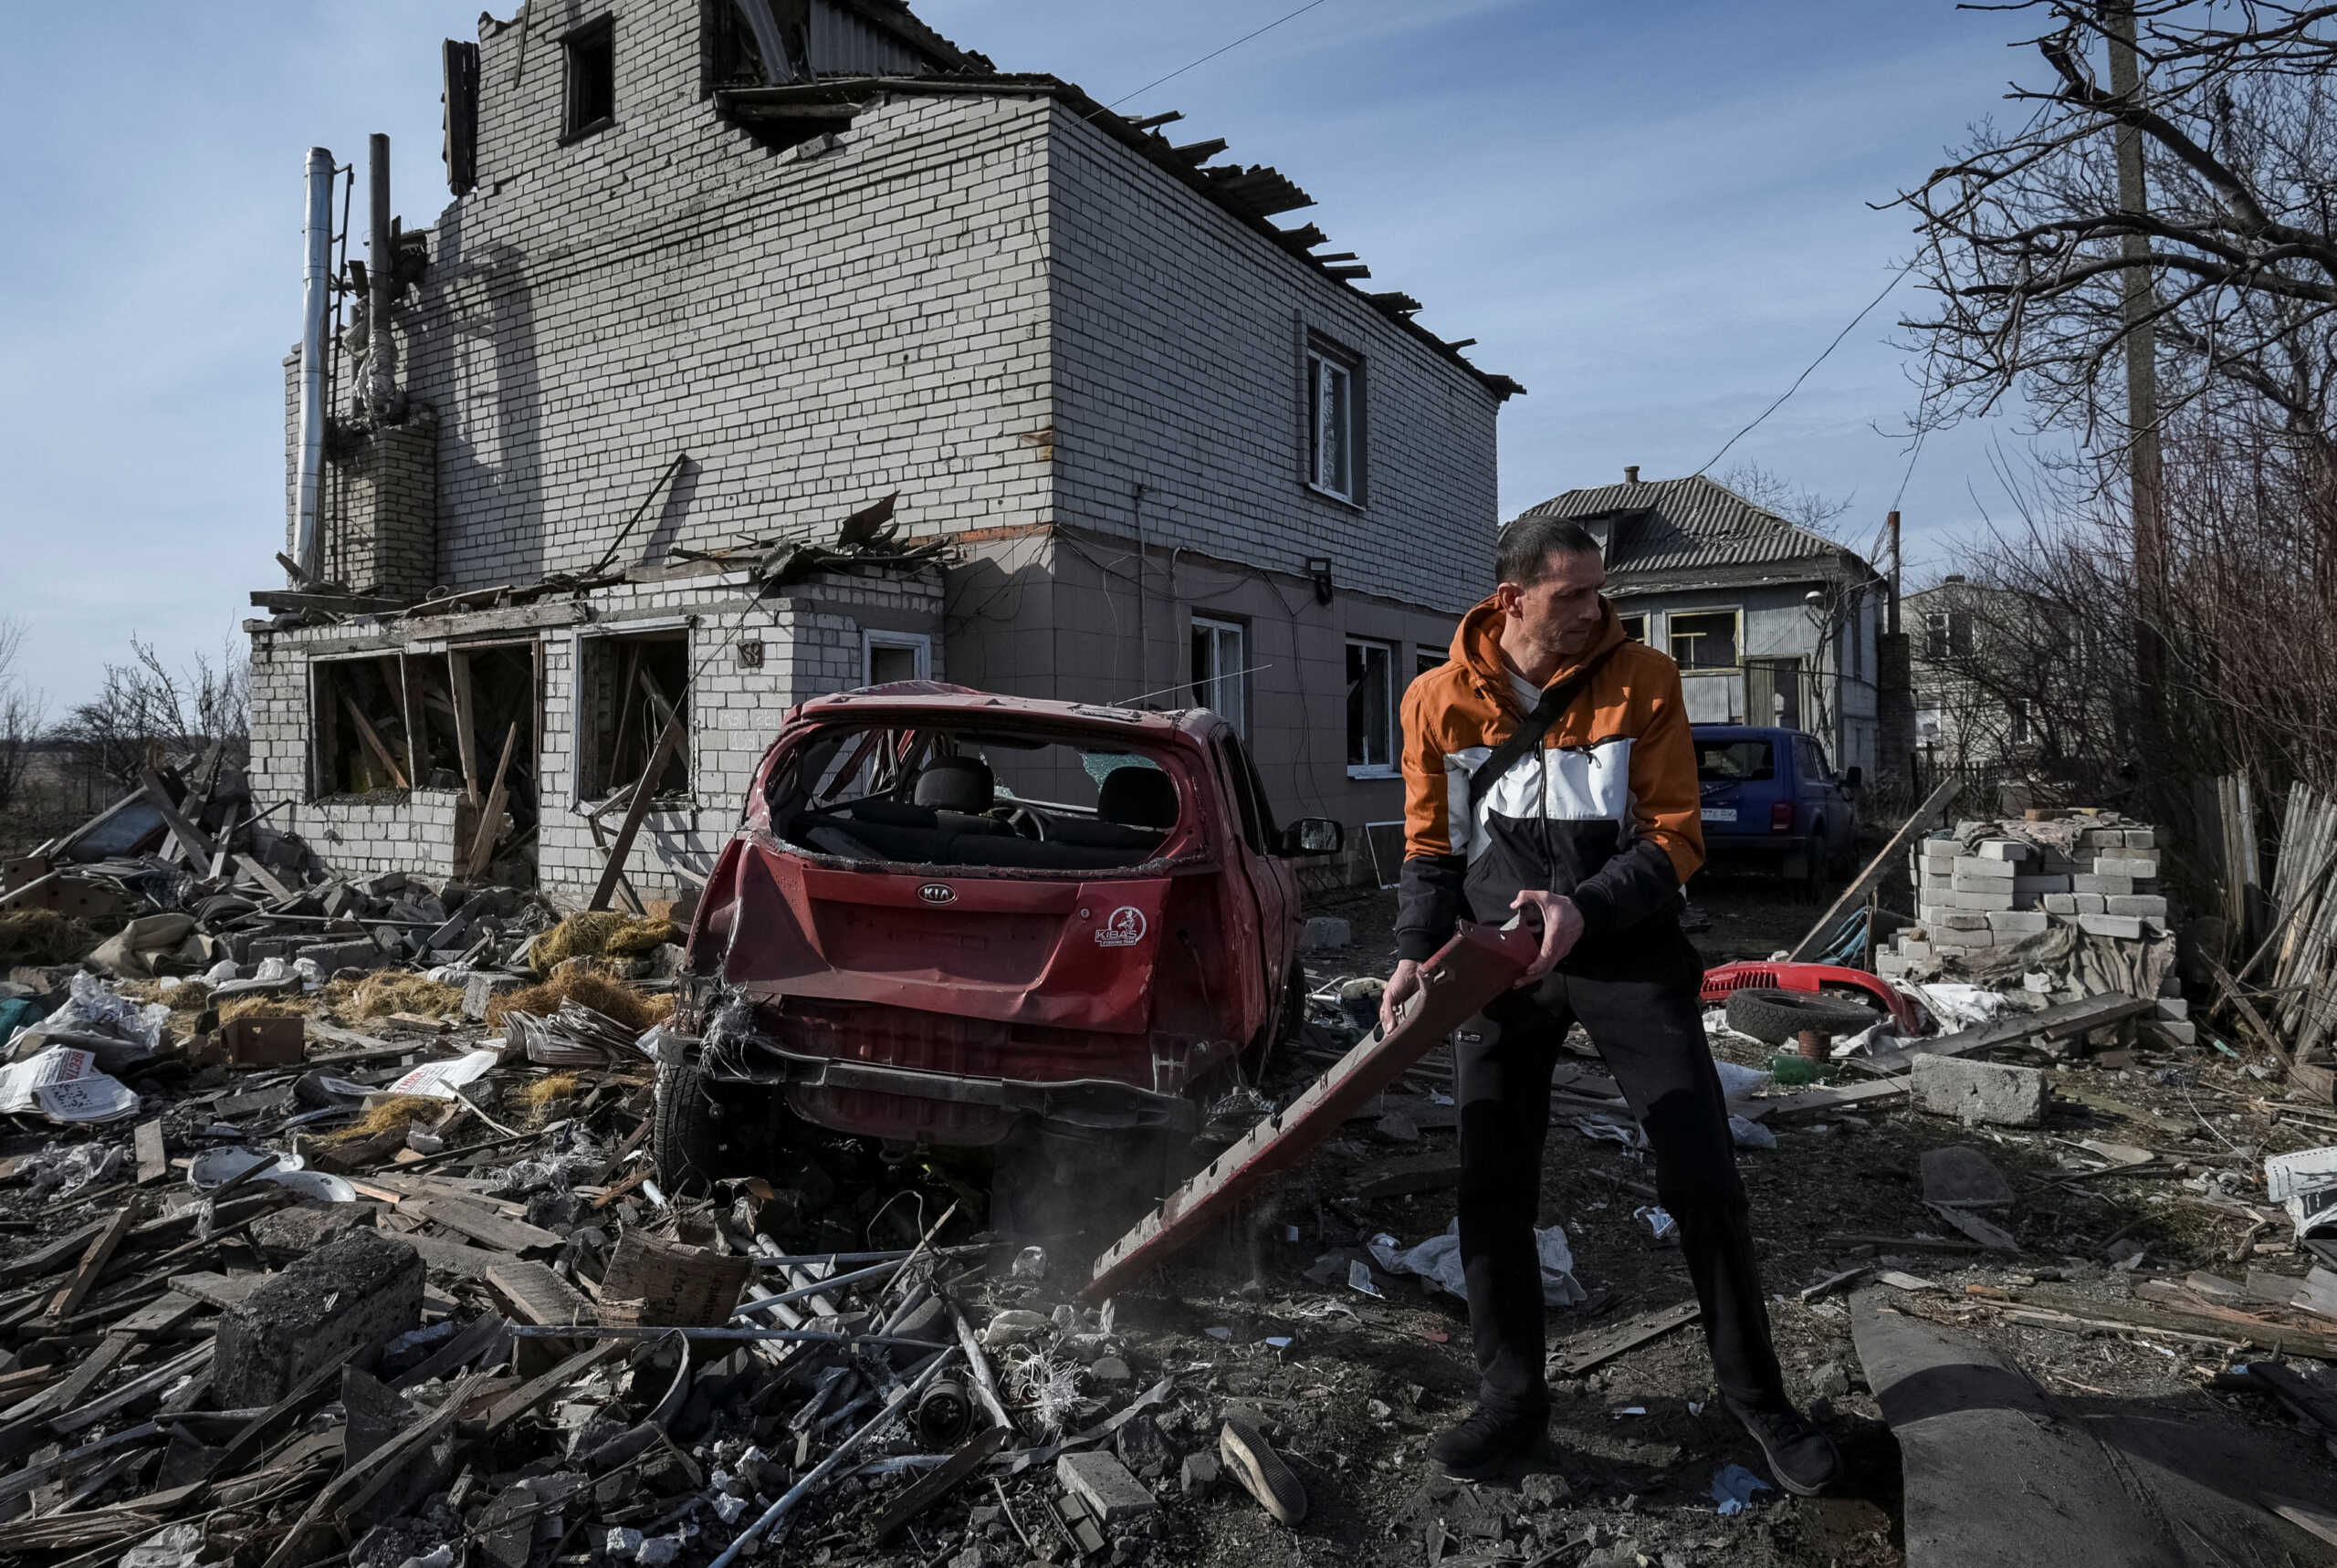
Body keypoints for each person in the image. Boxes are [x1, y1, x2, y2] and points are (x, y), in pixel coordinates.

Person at [1382, 515, 1839, 1494]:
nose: (1597, 610)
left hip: (1623, 951)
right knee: (1490, 1179)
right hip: (1496, 964)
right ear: (1512, 600)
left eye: (1600, 591)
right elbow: (1430, 848)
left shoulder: (1644, 679)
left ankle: (1758, 1400)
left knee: (1702, 1172)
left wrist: (1581, 908)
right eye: (1573, 595)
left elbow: (1675, 838)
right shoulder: (1433, 699)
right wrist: (1412, 955)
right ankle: (1510, 1398)